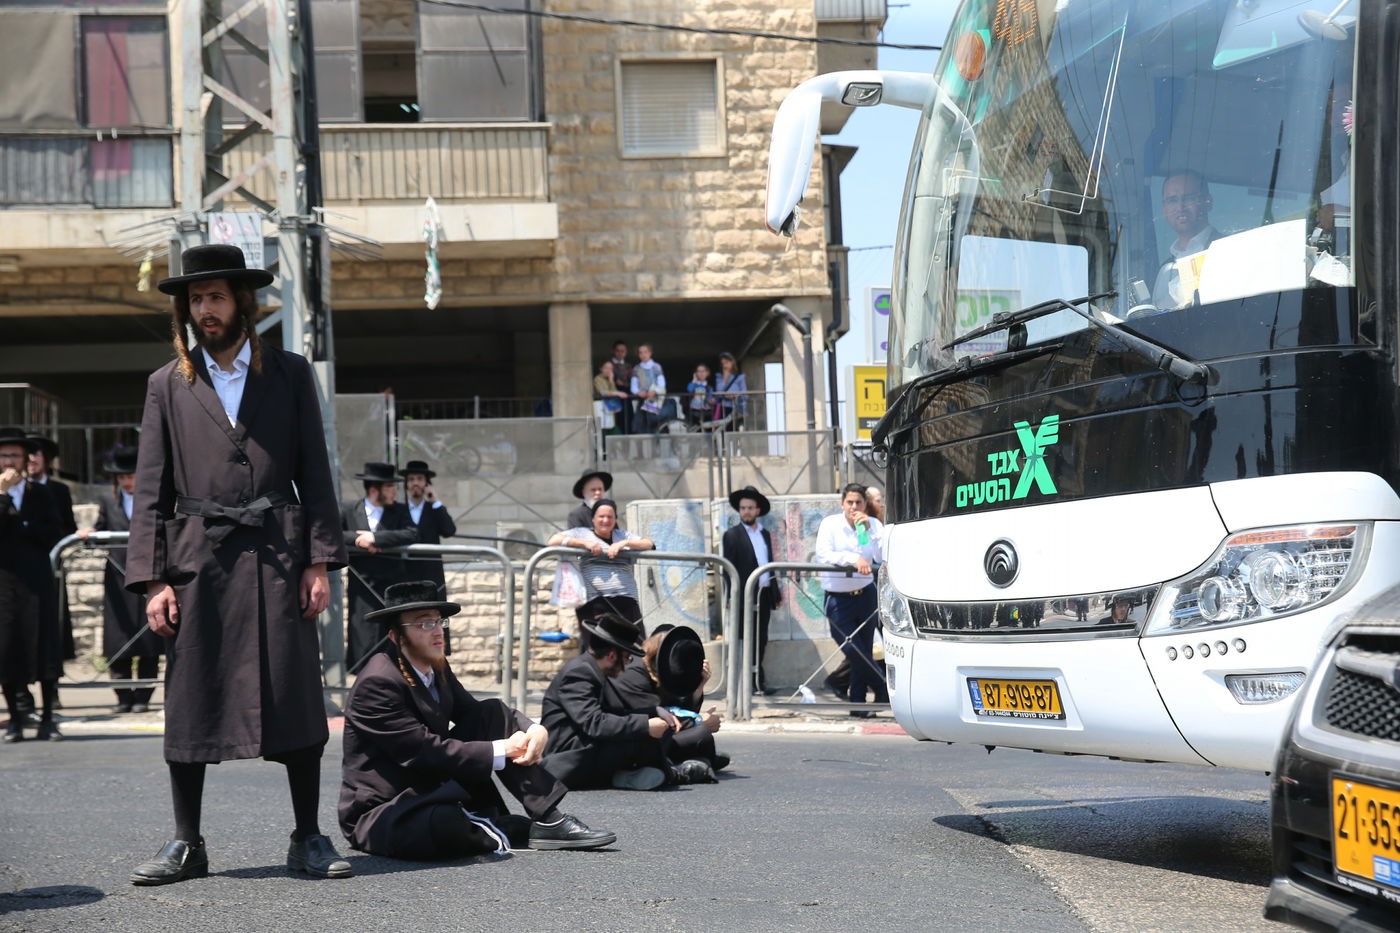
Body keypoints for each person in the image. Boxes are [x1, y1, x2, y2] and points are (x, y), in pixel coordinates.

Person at [124, 243, 351, 884]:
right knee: (191, 696)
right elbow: (150, 491)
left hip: (280, 554)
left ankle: (308, 836)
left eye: (216, 296)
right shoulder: (166, 385)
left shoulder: (289, 372)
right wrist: (154, 580)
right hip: (200, 562)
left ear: (243, 303)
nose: (205, 309)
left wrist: (319, 563)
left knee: (297, 695)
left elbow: (315, 472)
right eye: (196, 299)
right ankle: (187, 843)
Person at [339, 580, 616, 859]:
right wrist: (502, 749)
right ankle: (494, 825)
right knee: (443, 822)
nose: (437, 631)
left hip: (430, 786)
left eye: (439, 622)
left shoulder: (435, 663)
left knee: (492, 711)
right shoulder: (378, 682)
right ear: (396, 636)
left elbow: (476, 714)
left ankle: (547, 818)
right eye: (424, 624)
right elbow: (422, 751)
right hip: (387, 808)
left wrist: (534, 729)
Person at [540, 612, 715, 790]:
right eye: (626, 658)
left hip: (587, 748)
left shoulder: (591, 670)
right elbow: (595, 723)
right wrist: (645, 726)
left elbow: (613, 712)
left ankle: (627, 775)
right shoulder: (579, 673)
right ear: (611, 656)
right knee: (643, 739)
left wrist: (653, 712)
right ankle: (675, 774)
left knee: (647, 737)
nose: (626, 665)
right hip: (569, 759)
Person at [80, 445, 162, 714]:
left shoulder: (153, 497)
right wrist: (90, 533)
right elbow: (102, 529)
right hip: (117, 576)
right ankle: (122, 696)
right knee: (119, 636)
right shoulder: (107, 500)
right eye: (122, 477)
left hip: (147, 573)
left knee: (148, 635)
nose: (126, 482)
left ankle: (143, 696)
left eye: (131, 476)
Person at [0, 426, 63, 743]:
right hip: (5, 583)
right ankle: (15, 718)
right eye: (4, 455)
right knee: (8, 648)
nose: (9, 461)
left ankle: (49, 719)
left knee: (44, 648)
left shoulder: (41, 492)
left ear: (25, 460)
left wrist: (23, 525)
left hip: (36, 582)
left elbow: (53, 530)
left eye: (15, 455)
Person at [815, 483, 888, 715]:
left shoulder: (872, 525)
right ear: (842, 504)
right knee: (852, 648)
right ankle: (882, 686)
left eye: (858, 502)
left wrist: (868, 531)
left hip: (865, 594)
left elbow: (878, 556)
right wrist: (853, 558)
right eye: (850, 502)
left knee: (864, 648)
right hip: (838, 598)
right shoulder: (830, 524)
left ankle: (857, 704)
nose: (854, 507)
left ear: (865, 504)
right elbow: (824, 554)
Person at [613, 624, 727, 772]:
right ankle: (692, 761)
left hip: (662, 734)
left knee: (701, 734)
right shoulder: (635, 672)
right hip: (638, 738)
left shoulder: (665, 671)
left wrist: (698, 685)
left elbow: (679, 710)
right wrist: (697, 720)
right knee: (701, 734)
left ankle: (697, 758)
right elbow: (656, 718)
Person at [547, 498, 653, 653]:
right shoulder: (581, 533)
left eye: (610, 517)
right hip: (595, 603)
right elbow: (553, 541)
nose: (605, 520)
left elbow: (649, 543)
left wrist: (622, 544)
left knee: (635, 649)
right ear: (593, 519)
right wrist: (584, 544)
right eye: (601, 516)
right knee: (598, 651)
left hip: (626, 601)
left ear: (615, 519)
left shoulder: (621, 535)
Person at [341, 461, 419, 671]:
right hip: (363, 583)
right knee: (363, 631)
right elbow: (332, 532)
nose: (395, 492)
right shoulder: (349, 509)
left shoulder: (400, 510)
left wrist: (376, 538)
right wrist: (359, 541)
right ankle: (365, 676)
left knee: (391, 631)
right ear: (375, 489)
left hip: (392, 582)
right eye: (390, 487)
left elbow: (411, 532)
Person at [720, 486, 782, 695]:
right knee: (746, 638)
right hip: (744, 596)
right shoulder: (732, 535)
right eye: (743, 508)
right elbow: (728, 568)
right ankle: (747, 684)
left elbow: (769, 563)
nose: (746, 511)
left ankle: (757, 682)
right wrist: (730, 595)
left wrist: (776, 592)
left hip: (763, 594)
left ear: (758, 511)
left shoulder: (764, 534)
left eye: (750, 508)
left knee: (761, 638)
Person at [27, 433, 78, 673]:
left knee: (52, 627)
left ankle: (52, 687)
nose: (31, 459)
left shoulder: (58, 490)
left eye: (36, 453)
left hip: (48, 565)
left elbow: (68, 527)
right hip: (16, 567)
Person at [1151, 170, 1220, 311]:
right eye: (1172, 200)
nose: (1180, 207)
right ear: (1164, 209)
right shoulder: (1165, 269)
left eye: (1189, 198)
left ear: (1208, 202)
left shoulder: (1228, 249)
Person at [629, 343, 666, 434]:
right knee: (641, 426)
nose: (643, 355)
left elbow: (662, 383)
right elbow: (633, 386)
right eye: (640, 353)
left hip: (656, 400)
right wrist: (638, 392)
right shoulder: (636, 368)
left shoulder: (656, 367)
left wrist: (654, 391)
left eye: (645, 352)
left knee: (657, 425)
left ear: (650, 353)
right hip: (642, 400)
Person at [594, 361, 629, 436]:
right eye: (606, 368)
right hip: (601, 409)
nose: (608, 370)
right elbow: (602, 392)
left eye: (611, 368)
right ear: (601, 368)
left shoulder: (609, 379)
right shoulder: (597, 379)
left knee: (612, 428)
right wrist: (617, 393)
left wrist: (611, 381)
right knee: (604, 430)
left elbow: (614, 391)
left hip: (611, 409)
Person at [714, 352, 747, 429]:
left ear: (732, 362)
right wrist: (725, 376)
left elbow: (745, 394)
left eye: (726, 362)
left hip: (737, 408)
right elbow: (719, 391)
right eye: (722, 363)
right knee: (723, 430)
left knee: (736, 430)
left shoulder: (740, 377)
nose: (724, 365)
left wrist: (736, 395)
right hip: (724, 407)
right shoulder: (719, 377)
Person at [608, 340, 633, 435]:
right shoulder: (609, 364)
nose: (620, 353)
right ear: (613, 351)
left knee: (628, 420)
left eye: (623, 351)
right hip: (613, 396)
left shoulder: (628, 365)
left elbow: (632, 380)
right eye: (618, 351)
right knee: (616, 420)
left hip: (626, 396)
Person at [686, 363, 713, 429]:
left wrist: (711, 400)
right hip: (694, 410)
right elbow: (689, 390)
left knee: (707, 429)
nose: (701, 373)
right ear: (696, 373)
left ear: (707, 373)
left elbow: (711, 397)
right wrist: (694, 380)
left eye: (703, 371)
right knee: (695, 428)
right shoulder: (693, 384)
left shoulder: (709, 386)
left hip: (706, 410)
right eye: (699, 371)